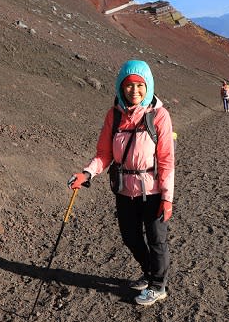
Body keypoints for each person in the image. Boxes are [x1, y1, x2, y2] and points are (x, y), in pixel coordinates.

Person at [68, 60, 175, 306]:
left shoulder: (158, 115)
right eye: (129, 86)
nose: (134, 91)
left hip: (154, 190)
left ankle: (158, 285)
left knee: (157, 239)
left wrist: (167, 197)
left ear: (148, 86)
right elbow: (104, 154)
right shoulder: (114, 115)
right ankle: (149, 273)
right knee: (130, 237)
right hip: (124, 189)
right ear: (120, 87)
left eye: (140, 85)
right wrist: (87, 174)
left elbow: (167, 159)